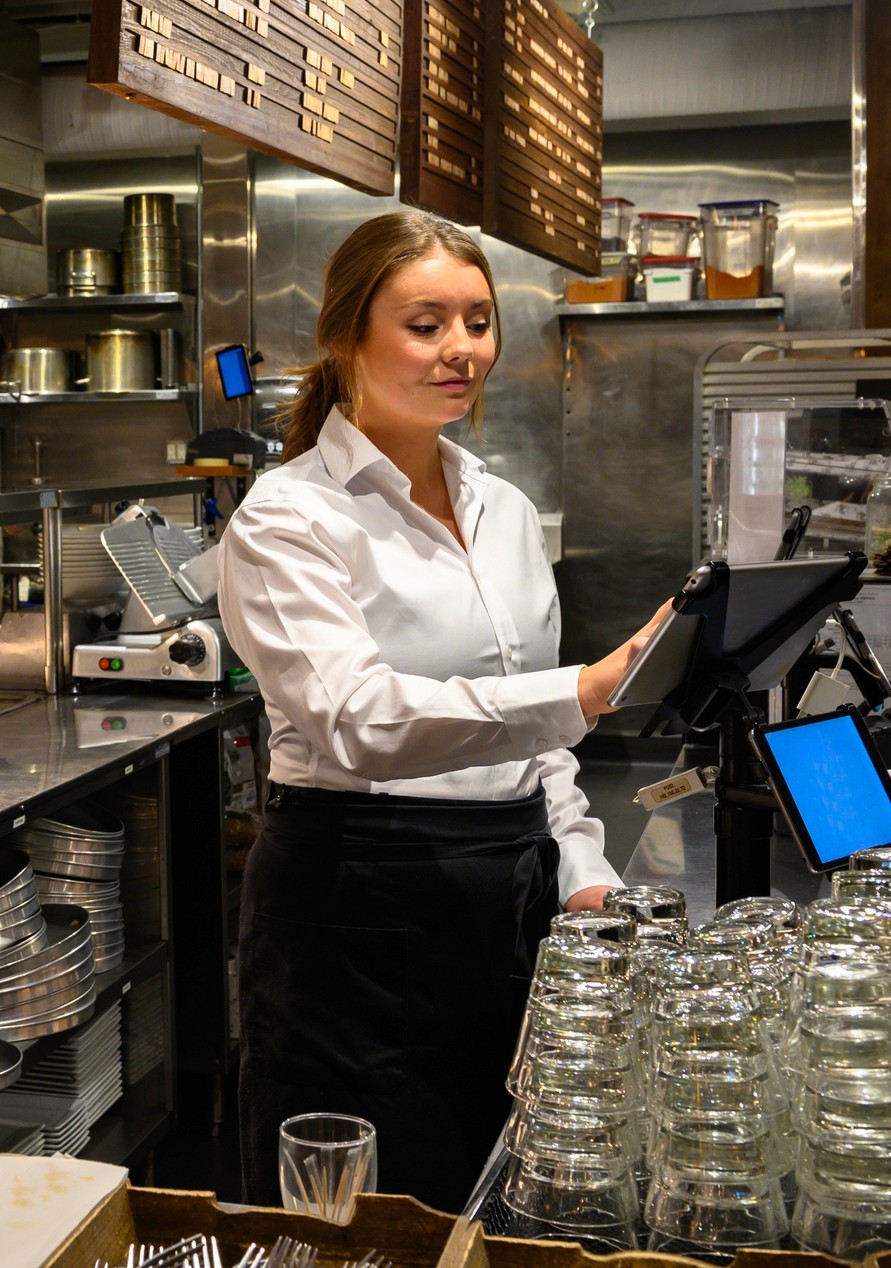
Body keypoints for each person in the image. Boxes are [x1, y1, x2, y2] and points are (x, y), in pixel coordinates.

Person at [217, 209, 668, 1211]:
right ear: (347, 336)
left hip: (505, 909)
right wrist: (579, 690)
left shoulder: (505, 509)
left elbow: (537, 746)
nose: (460, 348)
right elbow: (357, 719)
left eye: (477, 321)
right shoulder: (288, 516)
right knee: (357, 1223)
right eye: (425, 325)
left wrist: (582, 873)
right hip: (354, 911)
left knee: (498, 1203)